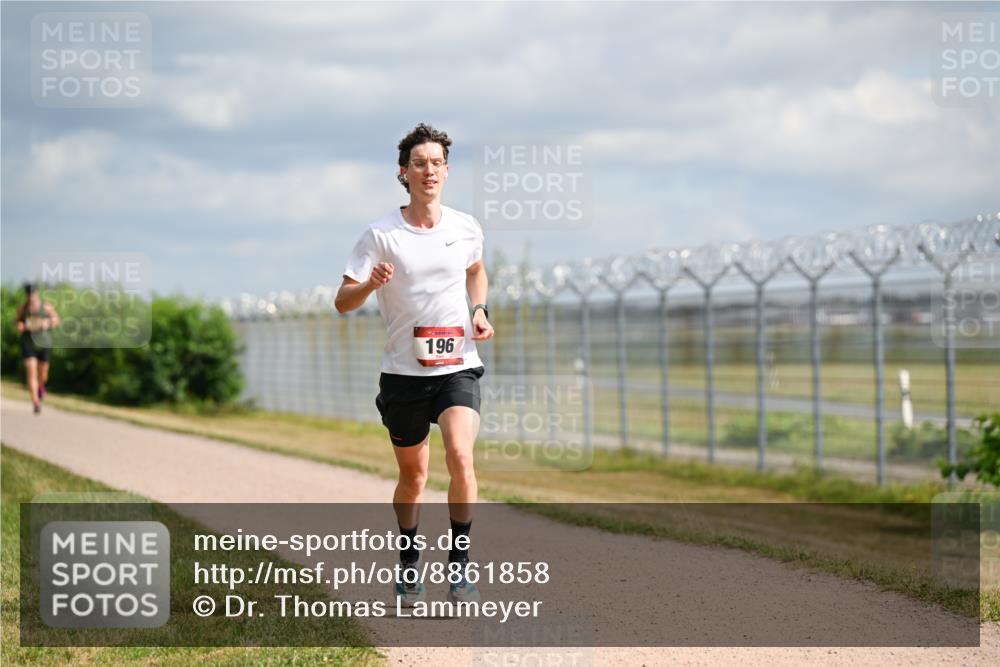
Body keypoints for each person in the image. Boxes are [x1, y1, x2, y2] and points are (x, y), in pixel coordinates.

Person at [335, 123, 494, 606]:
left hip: (458, 364)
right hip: (404, 373)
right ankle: (408, 567)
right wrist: (371, 284)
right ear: (404, 173)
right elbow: (342, 301)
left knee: (462, 458)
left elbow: (476, 271)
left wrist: (479, 309)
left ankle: (461, 569)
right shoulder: (381, 235)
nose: (430, 171)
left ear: (447, 171)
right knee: (414, 479)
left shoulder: (465, 227)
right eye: (420, 163)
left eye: (438, 163)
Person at [15, 283, 60, 414]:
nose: (31, 297)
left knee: (43, 375)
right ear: (26, 295)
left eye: (33, 294)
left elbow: (57, 320)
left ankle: (41, 386)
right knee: (31, 372)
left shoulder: (46, 307)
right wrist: (19, 325)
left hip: (44, 345)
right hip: (28, 345)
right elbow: (17, 322)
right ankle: (35, 402)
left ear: (37, 294)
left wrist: (49, 322)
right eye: (29, 295)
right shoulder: (22, 309)